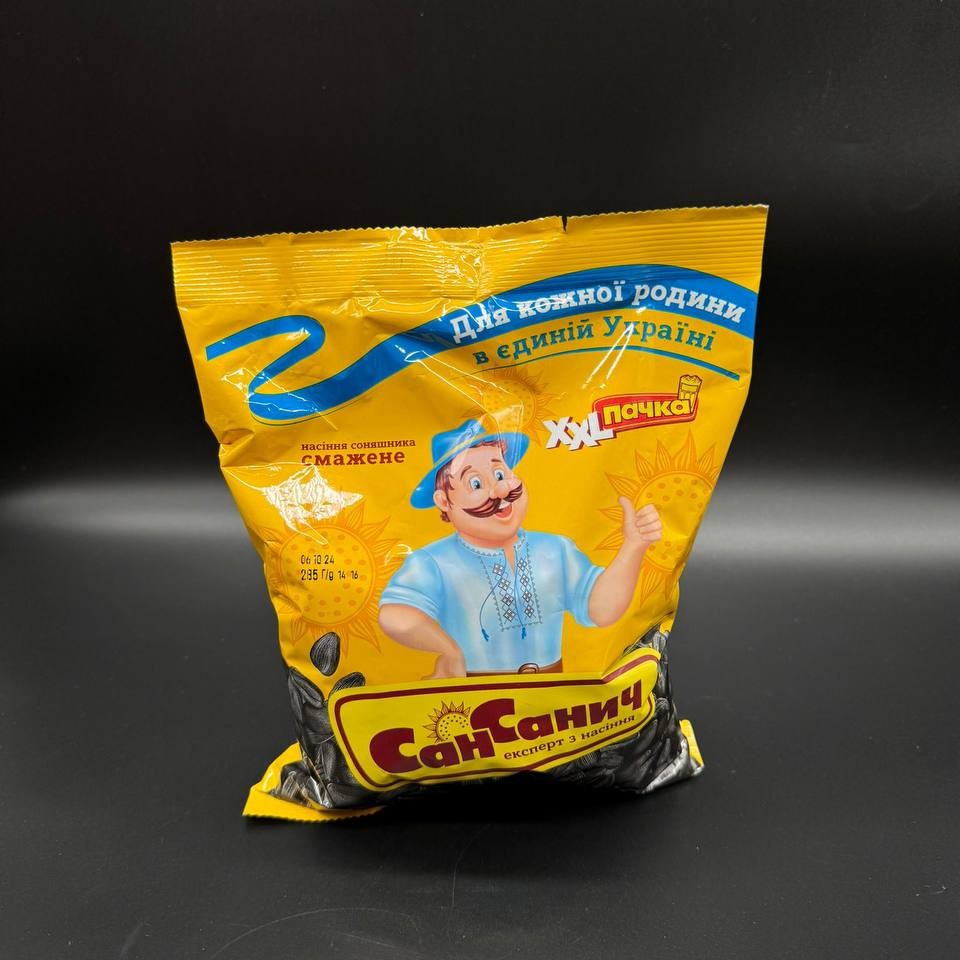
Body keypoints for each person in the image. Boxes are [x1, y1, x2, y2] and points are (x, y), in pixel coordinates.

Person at [378, 419, 662, 677]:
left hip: (553, 697)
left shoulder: (556, 549)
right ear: (443, 501)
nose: (500, 490)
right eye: (476, 483)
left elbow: (601, 610)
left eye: (500, 474)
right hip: (477, 700)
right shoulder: (433, 561)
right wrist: (450, 650)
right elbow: (396, 614)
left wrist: (633, 547)